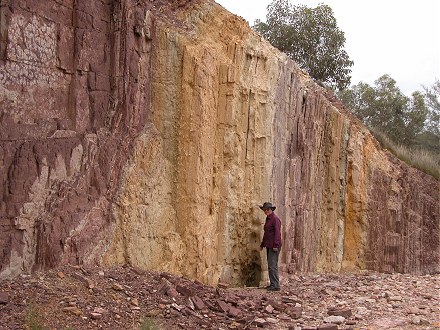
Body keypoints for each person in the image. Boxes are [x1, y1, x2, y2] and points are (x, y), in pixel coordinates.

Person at [259, 202, 282, 291]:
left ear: (271, 209)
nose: (266, 211)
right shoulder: (268, 219)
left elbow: (277, 233)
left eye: (268, 209)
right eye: (264, 210)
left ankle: (276, 286)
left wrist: (276, 245)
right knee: (270, 265)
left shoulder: (275, 219)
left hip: (274, 246)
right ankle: (273, 284)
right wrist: (262, 244)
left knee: (273, 265)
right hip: (269, 245)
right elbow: (266, 234)